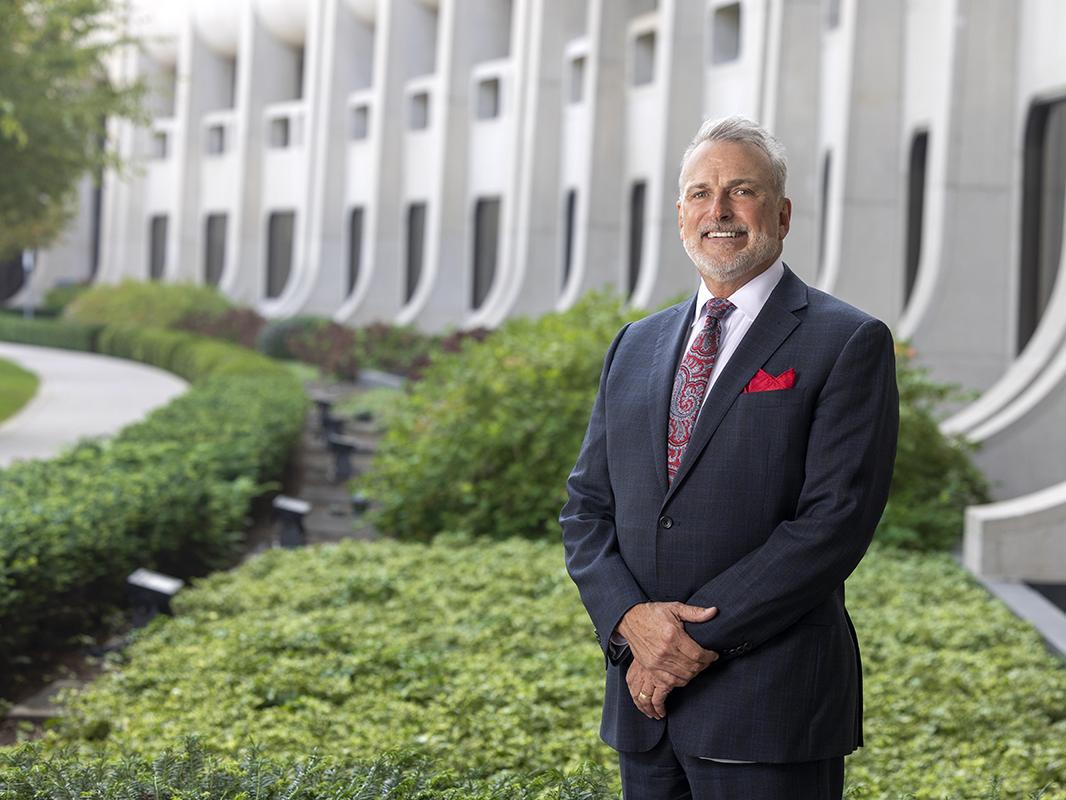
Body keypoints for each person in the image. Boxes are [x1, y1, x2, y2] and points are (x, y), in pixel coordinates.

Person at [560, 116, 899, 799]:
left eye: (740, 191)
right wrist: (632, 623)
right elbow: (587, 509)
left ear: (782, 211)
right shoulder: (635, 344)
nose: (717, 212)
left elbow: (833, 523)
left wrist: (684, 646)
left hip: (769, 711)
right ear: (681, 213)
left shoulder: (847, 341)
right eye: (699, 193)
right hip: (643, 709)